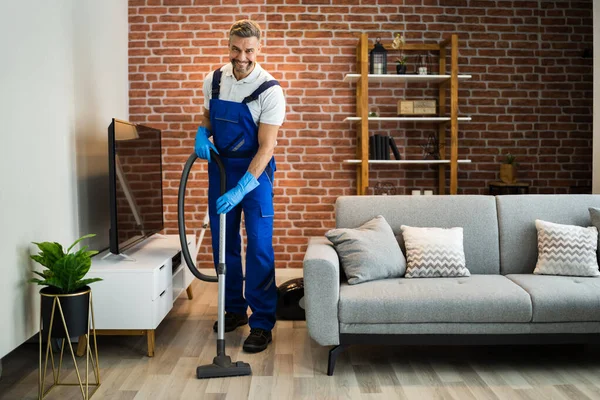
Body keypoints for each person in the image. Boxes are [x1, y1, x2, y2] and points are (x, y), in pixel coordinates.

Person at [194, 20, 285, 353]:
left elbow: (266, 147)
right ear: (228, 45)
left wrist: (242, 187)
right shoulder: (214, 79)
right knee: (224, 244)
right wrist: (202, 133)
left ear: (258, 49)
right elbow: (207, 117)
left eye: (248, 50)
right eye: (235, 48)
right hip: (220, 171)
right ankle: (234, 309)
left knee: (259, 245)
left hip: (255, 175)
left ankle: (261, 322)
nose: (241, 57)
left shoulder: (270, 90)